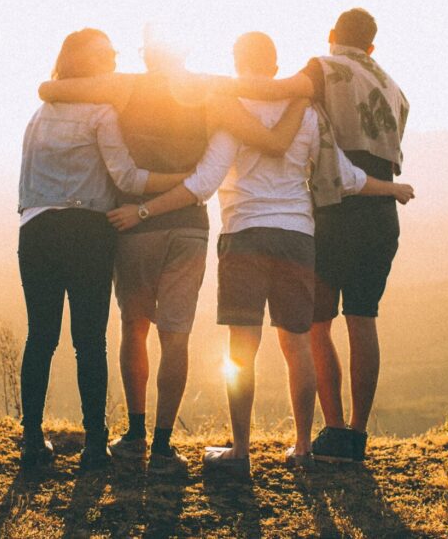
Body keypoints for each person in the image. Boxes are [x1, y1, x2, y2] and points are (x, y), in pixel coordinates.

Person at [107, 31, 414, 475]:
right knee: (298, 346)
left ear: (237, 62)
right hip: (297, 238)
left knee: (241, 349)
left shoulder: (231, 110)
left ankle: (241, 452)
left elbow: (204, 183)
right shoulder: (307, 113)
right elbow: (345, 177)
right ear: (275, 67)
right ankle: (304, 447)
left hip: (245, 235)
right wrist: (393, 188)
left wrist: (144, 210)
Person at [38, 27, 308, 475]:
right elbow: (264, 123)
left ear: (147, 55)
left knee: (134, 327)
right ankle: (164, 447)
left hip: (134, 224)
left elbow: (52, 88)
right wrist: (301, 92)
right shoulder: (208, 89)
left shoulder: (125, 86)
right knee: (175, 335)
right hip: (189, 225)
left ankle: (135, 434)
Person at [214, 9, 410, 463]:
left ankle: (332, 431)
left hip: (335, 209)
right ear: (372, 46)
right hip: (380, 211)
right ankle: (355, 437)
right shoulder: (395, 88)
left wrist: (211, 86)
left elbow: (277, 91)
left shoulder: (324, 68)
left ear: (331, 36)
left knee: (314, 326)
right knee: (363, 319)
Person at [17, 28, 189, 470]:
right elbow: (128, 179)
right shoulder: (101, 112)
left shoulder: (40, 114)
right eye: (105, 54)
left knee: (40, 337)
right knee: (89, 341)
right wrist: (183, 180)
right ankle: (95, 445)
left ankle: (32, 441)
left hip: (36, 230)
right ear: (85, 63)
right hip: (87, 231)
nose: (113, 59)